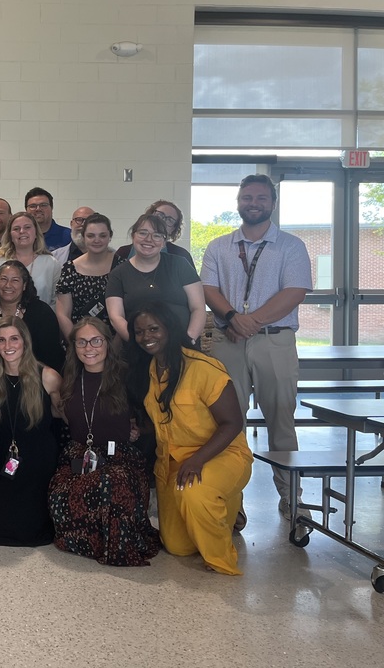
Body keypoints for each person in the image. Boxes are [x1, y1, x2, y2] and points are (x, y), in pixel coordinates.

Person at [201, 174, 312, 518]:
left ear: (272, 203)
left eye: (261, 198)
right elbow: (208, 289)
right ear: (238, 202)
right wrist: (234, 316)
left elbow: (295, 292)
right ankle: (232, 502)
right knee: (228, 422)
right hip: (228, 340)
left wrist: (252, 321)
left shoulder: (291, 246)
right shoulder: (219, 246)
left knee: (281, 421)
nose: (253, 203)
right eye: (247, 197)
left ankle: (292, 499)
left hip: (273, 342)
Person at [127, 303, 252, 575]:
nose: (146, 336)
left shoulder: (203, 368)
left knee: (194, 491)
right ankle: (216, 511)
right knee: (177, 546)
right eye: (139, 332)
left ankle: (222, 559)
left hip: (221, 454)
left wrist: (198, 460)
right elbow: (167, 421)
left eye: (153, 329)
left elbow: (233, 423)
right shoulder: (148, 371)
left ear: (169, 329)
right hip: (172, 461)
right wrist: (138, 428)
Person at [49, 318, 161, 566]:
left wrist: (136, 429)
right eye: (82, 342)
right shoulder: (69, 378)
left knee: (112, 483)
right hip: (81, 455)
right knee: (59, 491)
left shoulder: (126, 376)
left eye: (96, 340)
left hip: (119, 457)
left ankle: (113, 544)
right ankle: (87, 542)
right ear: (74, 347)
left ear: (107, 344)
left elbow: (153, 416)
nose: (89, 348)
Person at [0, 316, 60, 546]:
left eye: (14, 339)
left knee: (29, 527)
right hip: (3, 453)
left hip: (37, 454)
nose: (8, 346)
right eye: (1, 340)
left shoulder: (48, 376)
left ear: (25, 341)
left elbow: (63, 416)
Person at [106, 214, 205, 346]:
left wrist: (188, 340)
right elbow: (116, 317)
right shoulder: (118, 274)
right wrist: (138, 344)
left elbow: (198, 308)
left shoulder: (180, 265)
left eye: (157, 235)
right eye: (143, 233)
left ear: (164, 242)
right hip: (139, 350)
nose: (149, 239)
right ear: (133, 236)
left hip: (183, 347)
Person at [0, 259, 63, 371]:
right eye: (3, 279)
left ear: (24, 285)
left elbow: (52, 357)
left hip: (33, 377)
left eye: (15, 280)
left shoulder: (42, 313)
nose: (8, 285)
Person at [55, 213, 116, 339]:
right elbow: (63, 314)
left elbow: (126, 312)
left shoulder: (121, 267)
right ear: (83, 237)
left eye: (102, 235)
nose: (97, 240)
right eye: (91, 235)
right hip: (77, 340)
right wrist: (77, 343)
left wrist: (115, 346)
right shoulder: (69, 269)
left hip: (114, 341)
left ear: (110, 236)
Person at [0, 212, 61, 307]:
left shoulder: (51, 263)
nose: (22, 231)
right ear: (10, 235)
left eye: (27, 227)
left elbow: (56, 301)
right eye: (16, 229)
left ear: (36, 232)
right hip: (3, 319)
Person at [114, 200, 195, 268]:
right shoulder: (123, 252)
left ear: (173, 229)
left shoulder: (182, 256)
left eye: (169, 219)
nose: (162, 221)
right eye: (160, 215)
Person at [24, 187, 71, 252]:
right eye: (33, 206)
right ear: (26, 210)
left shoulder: (68, 236)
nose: (38, 209)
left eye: (43, 205)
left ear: (51, 207)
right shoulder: (21, 237)